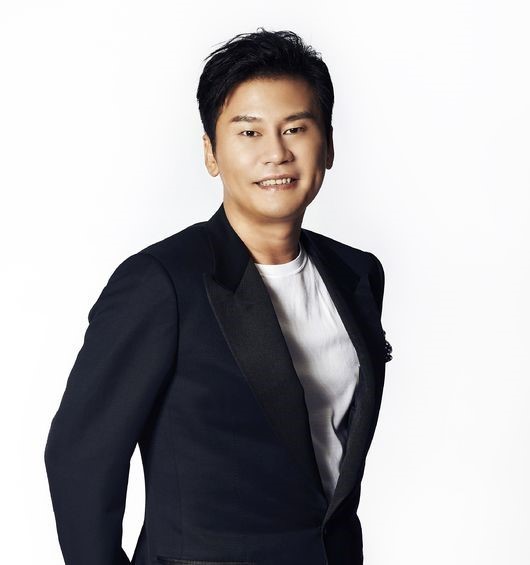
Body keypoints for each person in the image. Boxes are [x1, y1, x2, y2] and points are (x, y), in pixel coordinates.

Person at [44, 27, 392, 565]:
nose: (276, 153)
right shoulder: (161, 283)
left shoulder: (356, 274)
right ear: (211, 152)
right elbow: (81, 458)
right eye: (249, 132)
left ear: (327, 144)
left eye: (295, 128)